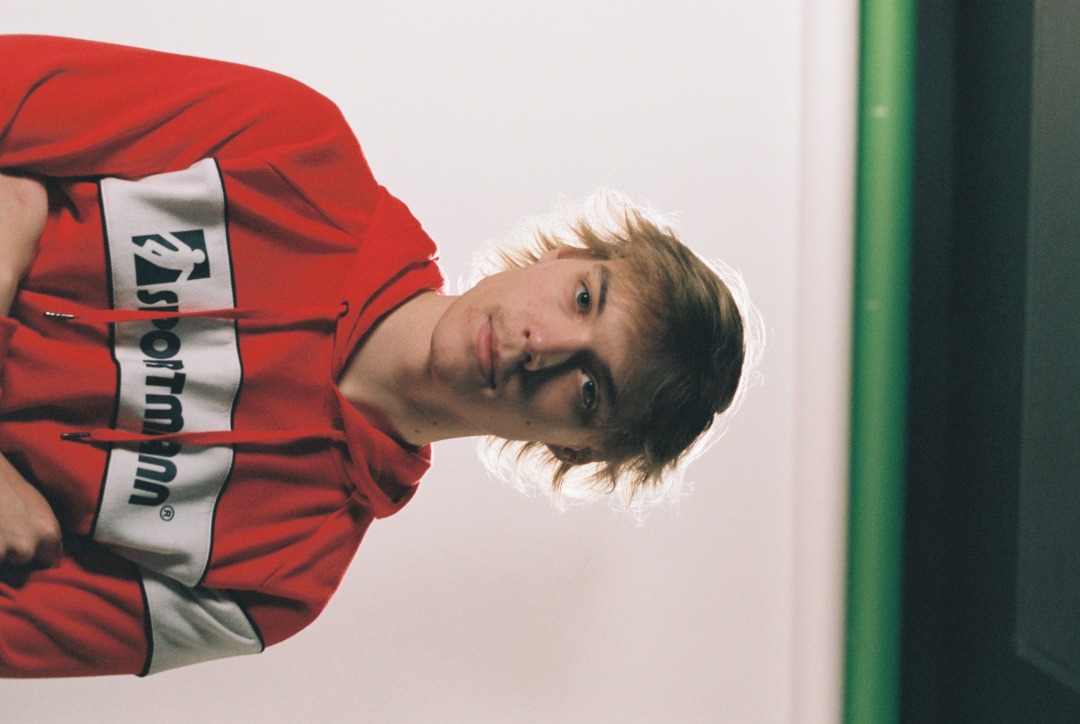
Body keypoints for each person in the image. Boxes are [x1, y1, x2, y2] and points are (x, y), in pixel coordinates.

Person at [0, 35, 758, 677]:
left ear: (573, 448)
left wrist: (20, 217)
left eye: (590, 389)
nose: (544, 345)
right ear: (562, 257)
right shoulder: (293, 146)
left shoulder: (277, 588)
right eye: (584, 298)